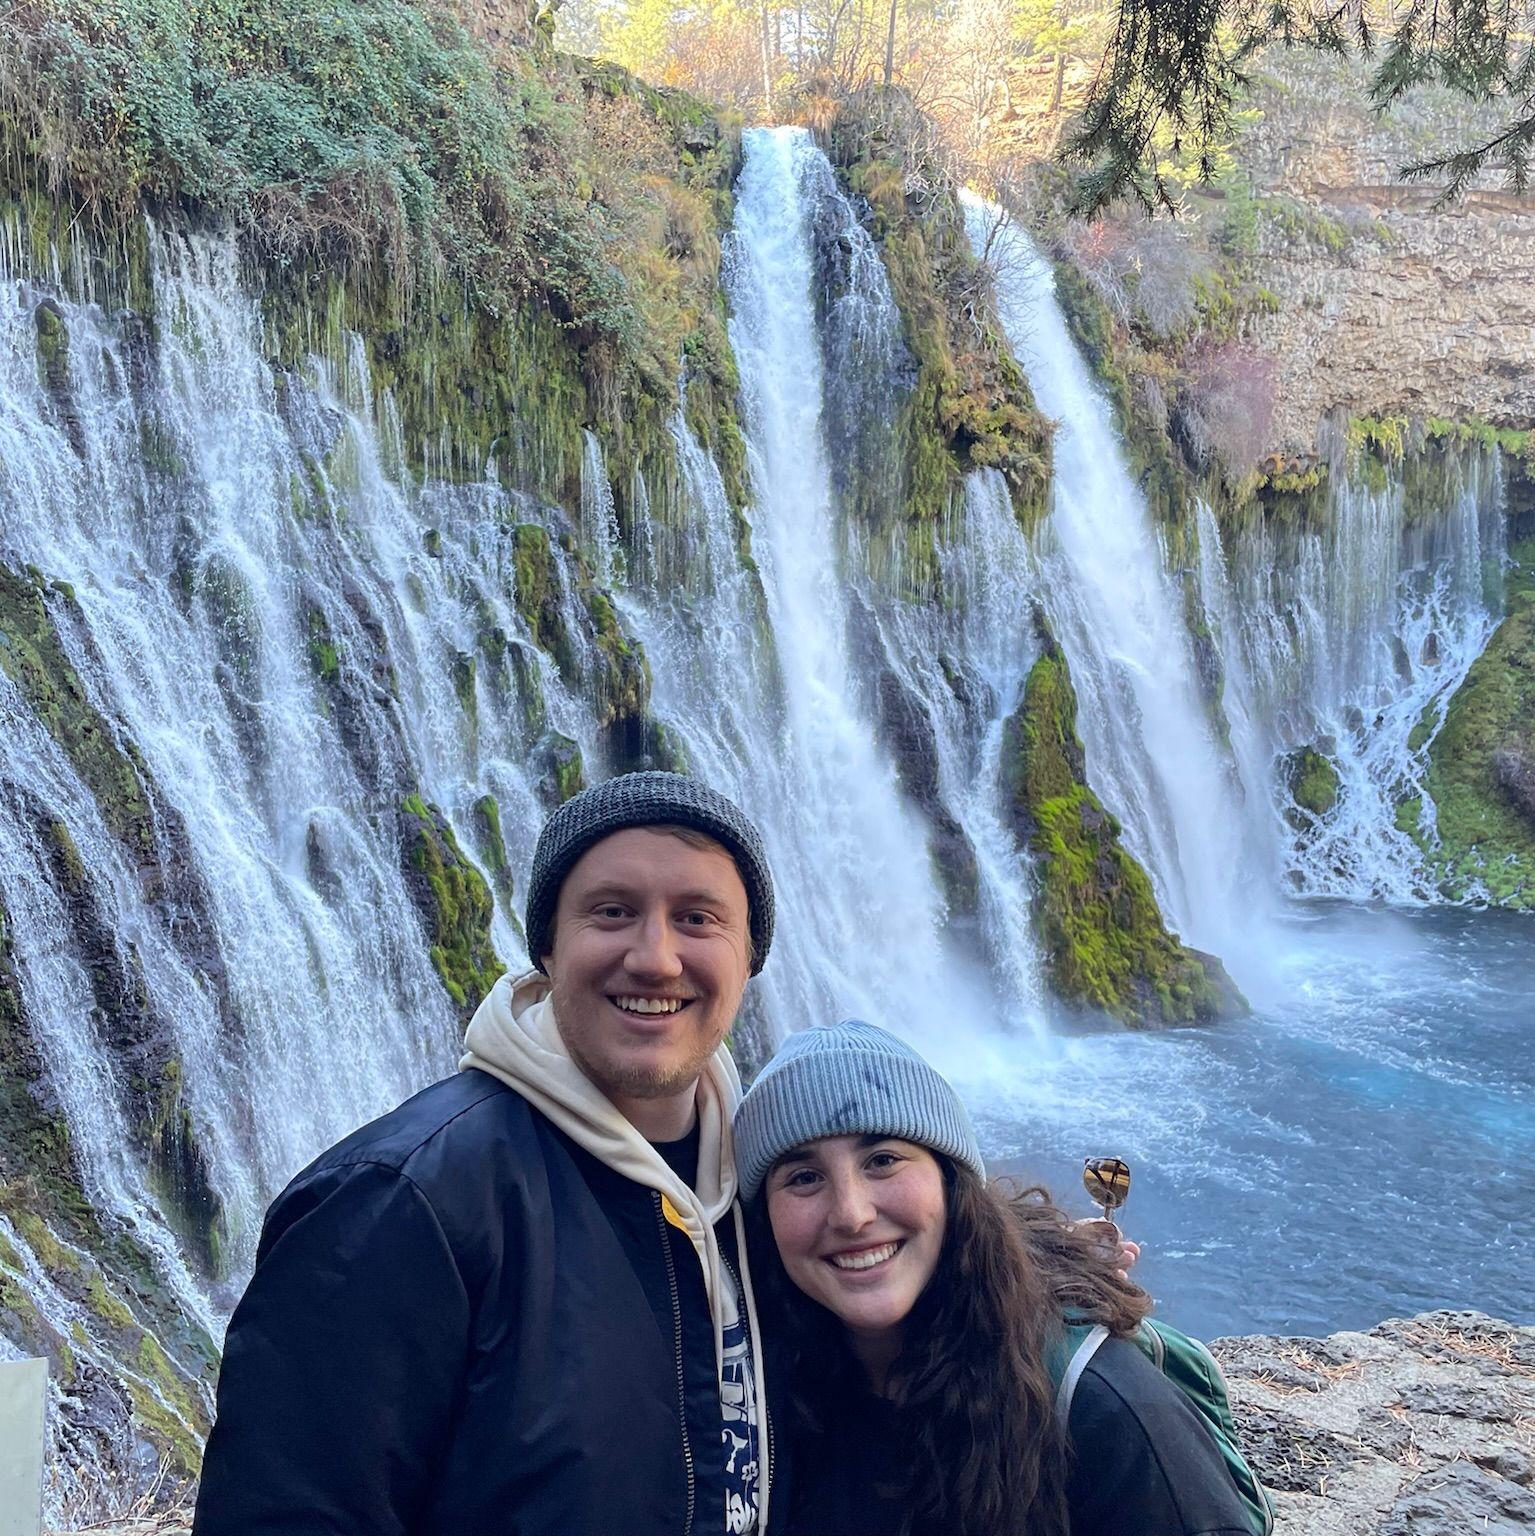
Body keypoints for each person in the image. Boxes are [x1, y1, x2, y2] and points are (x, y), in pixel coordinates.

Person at [194, 771, 776, 1536]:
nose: (655, 958)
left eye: (697, 918)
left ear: (749, 956)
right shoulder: (397, 1205)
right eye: (611, 911)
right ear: (546, 948)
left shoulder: (778, 1189)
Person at [733, 1019, 1261, 1536]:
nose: (851, 1214)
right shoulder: (755, 1389)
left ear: (951, 1184)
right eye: (804, 1177)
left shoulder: (1103, 1412)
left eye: (883, 1160)